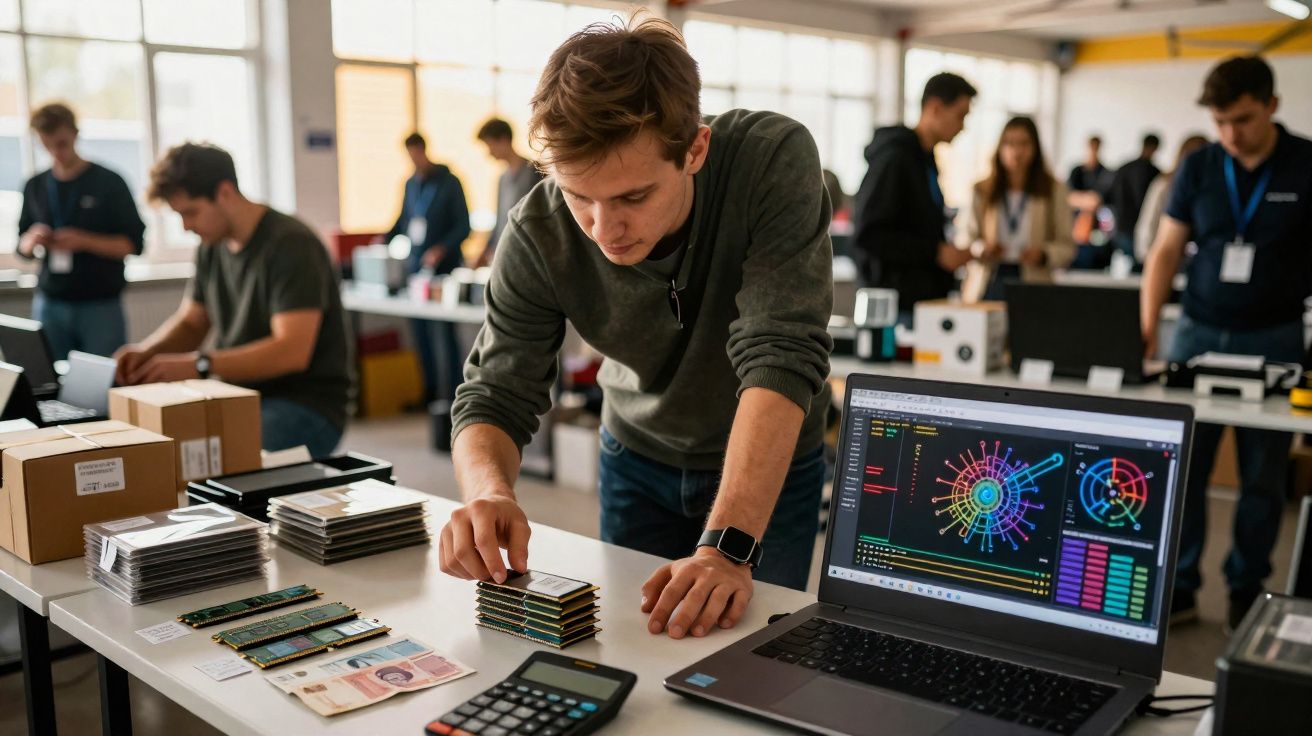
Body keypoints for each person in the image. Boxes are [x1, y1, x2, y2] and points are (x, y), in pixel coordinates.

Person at [439, 16, 833, 642]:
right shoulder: (536, 230)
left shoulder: (769, 160)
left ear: (694, 151)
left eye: (632, 197)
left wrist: (726, 548)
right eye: (579, 197)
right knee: (629, 646)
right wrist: (488, 491)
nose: (603, 228)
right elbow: (494, 391)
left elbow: (781, 353)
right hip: (636, 456)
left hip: (770, 463)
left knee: (750, 655)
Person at [1140, 56, 1312, 630]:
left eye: (1242, 119)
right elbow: (1166, 250)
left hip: (1275, 337)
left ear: (1272, 106)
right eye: (1220, 122)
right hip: (1197, 332)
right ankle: (1181, 586)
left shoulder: (1306, 164)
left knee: (1263, 475)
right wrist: (1147, 327)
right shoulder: (1200, 168)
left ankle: (1248, 590)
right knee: (1184, 466)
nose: (1230, 134)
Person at [114, 143, 351, 458]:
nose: (186, 226)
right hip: (237, 395)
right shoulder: (211, 245)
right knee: (158, 447)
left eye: (191, 212)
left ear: (224, 193)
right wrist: (146, 353)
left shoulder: (292, 244)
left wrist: (199, 365)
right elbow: (192, 322)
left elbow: (291, 351)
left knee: (212, 458)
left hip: (306, 405)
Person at [16, 103, 145, 360]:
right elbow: (21, 247)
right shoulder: (35, 186)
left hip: (99, 304)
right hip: (50, 302)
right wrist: (32, 241)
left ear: (75, 134)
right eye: (47, 145)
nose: (56, 152)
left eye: (61, 143)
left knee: (102, 384)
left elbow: (133, 244)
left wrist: (85, 241)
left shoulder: (109, 182)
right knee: (50, 382)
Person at [851, 72, 977, 325]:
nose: (963, 126)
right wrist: (936, 252)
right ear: (935, 108)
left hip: (922, 300)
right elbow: (869, 235)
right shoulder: (895, 160)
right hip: (896, 308)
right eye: (960, 115)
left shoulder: (925, 162)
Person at [381, 132, 471, 404]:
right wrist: (382, 239)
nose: (413, 159)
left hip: (444, 269)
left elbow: (463, 226)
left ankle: (454, 393)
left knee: (444, 332)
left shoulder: (449, 183)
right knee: (419, 332)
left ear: (423, 150)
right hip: (416, 268)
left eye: (416, 153)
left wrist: (442, 248)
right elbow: (404, 222)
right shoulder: (410, 184)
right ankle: (430, 393)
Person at [961, 116, 1074, 303]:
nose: (1016, 151)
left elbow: (1067, 246)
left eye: (1024, 144)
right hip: (990, 278)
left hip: (1033, 280)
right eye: (1010, 143)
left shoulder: (1053, 190)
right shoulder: (982, 189)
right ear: (1000, 148)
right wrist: (982, 248)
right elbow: (966, 238)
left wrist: (1044, 254)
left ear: (1035, 148)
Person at [474, 118, 543, 268]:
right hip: (505, 256)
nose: (490, 152)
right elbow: (500, 219)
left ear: (504, 140)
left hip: (527, 256)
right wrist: (486, 250)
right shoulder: (502, 179)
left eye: (490, 145)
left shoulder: (535, 172)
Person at [1134, 135, 1208, 263]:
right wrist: (1149, 257)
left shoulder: (1213, 189)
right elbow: (1149, 222)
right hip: (1165, 259)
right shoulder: (1164, 184)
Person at [1107, 133, 1161, 267]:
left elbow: (1109, 196)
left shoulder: (1124, 168)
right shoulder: (1152, 172)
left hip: (1119, 225)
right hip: (1137, 228)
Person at [1067, 135, 1115, 269]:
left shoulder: (1105, 173)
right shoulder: (1076, 171)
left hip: (1097, 229)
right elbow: (1069, 197)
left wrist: (1082, 199)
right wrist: (1086, 200)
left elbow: (1099, 200)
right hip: (1075, 228)